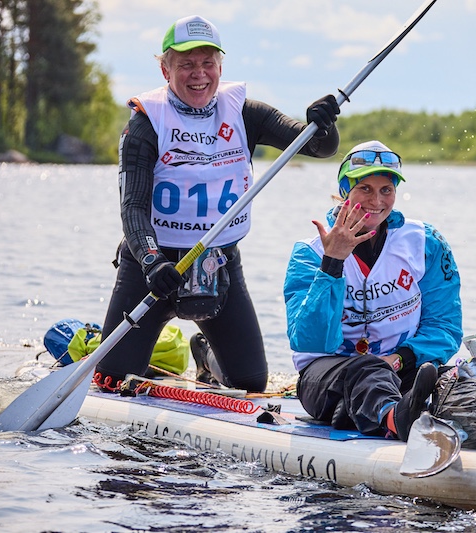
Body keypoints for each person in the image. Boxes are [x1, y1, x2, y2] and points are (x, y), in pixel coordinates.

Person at [94, 15, 340, 393]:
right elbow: (133, 207)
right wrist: (151, 260)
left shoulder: (244, 112)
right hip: (154, 270)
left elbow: (318, 147)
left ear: (220, 68)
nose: (199, 74)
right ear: (165, 69)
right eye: (186, 64)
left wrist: (323, 123)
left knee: (251, 383)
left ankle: (206, 358)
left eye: (208, 63)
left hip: (217, 265)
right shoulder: (145, 123)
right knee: (111, 381)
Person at [283, 141, 462, 440]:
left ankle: (364, 412)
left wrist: (399, 358)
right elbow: (311, 340)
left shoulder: (426, 242)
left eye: (386, 190)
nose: (376, 201)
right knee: (368, 371)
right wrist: (333, 263)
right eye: (365, 188)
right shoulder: (309, 253)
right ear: (345, 191)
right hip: (328, 374)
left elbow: (445, 327)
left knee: (453, 379)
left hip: (403, 366)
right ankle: (395, 419)